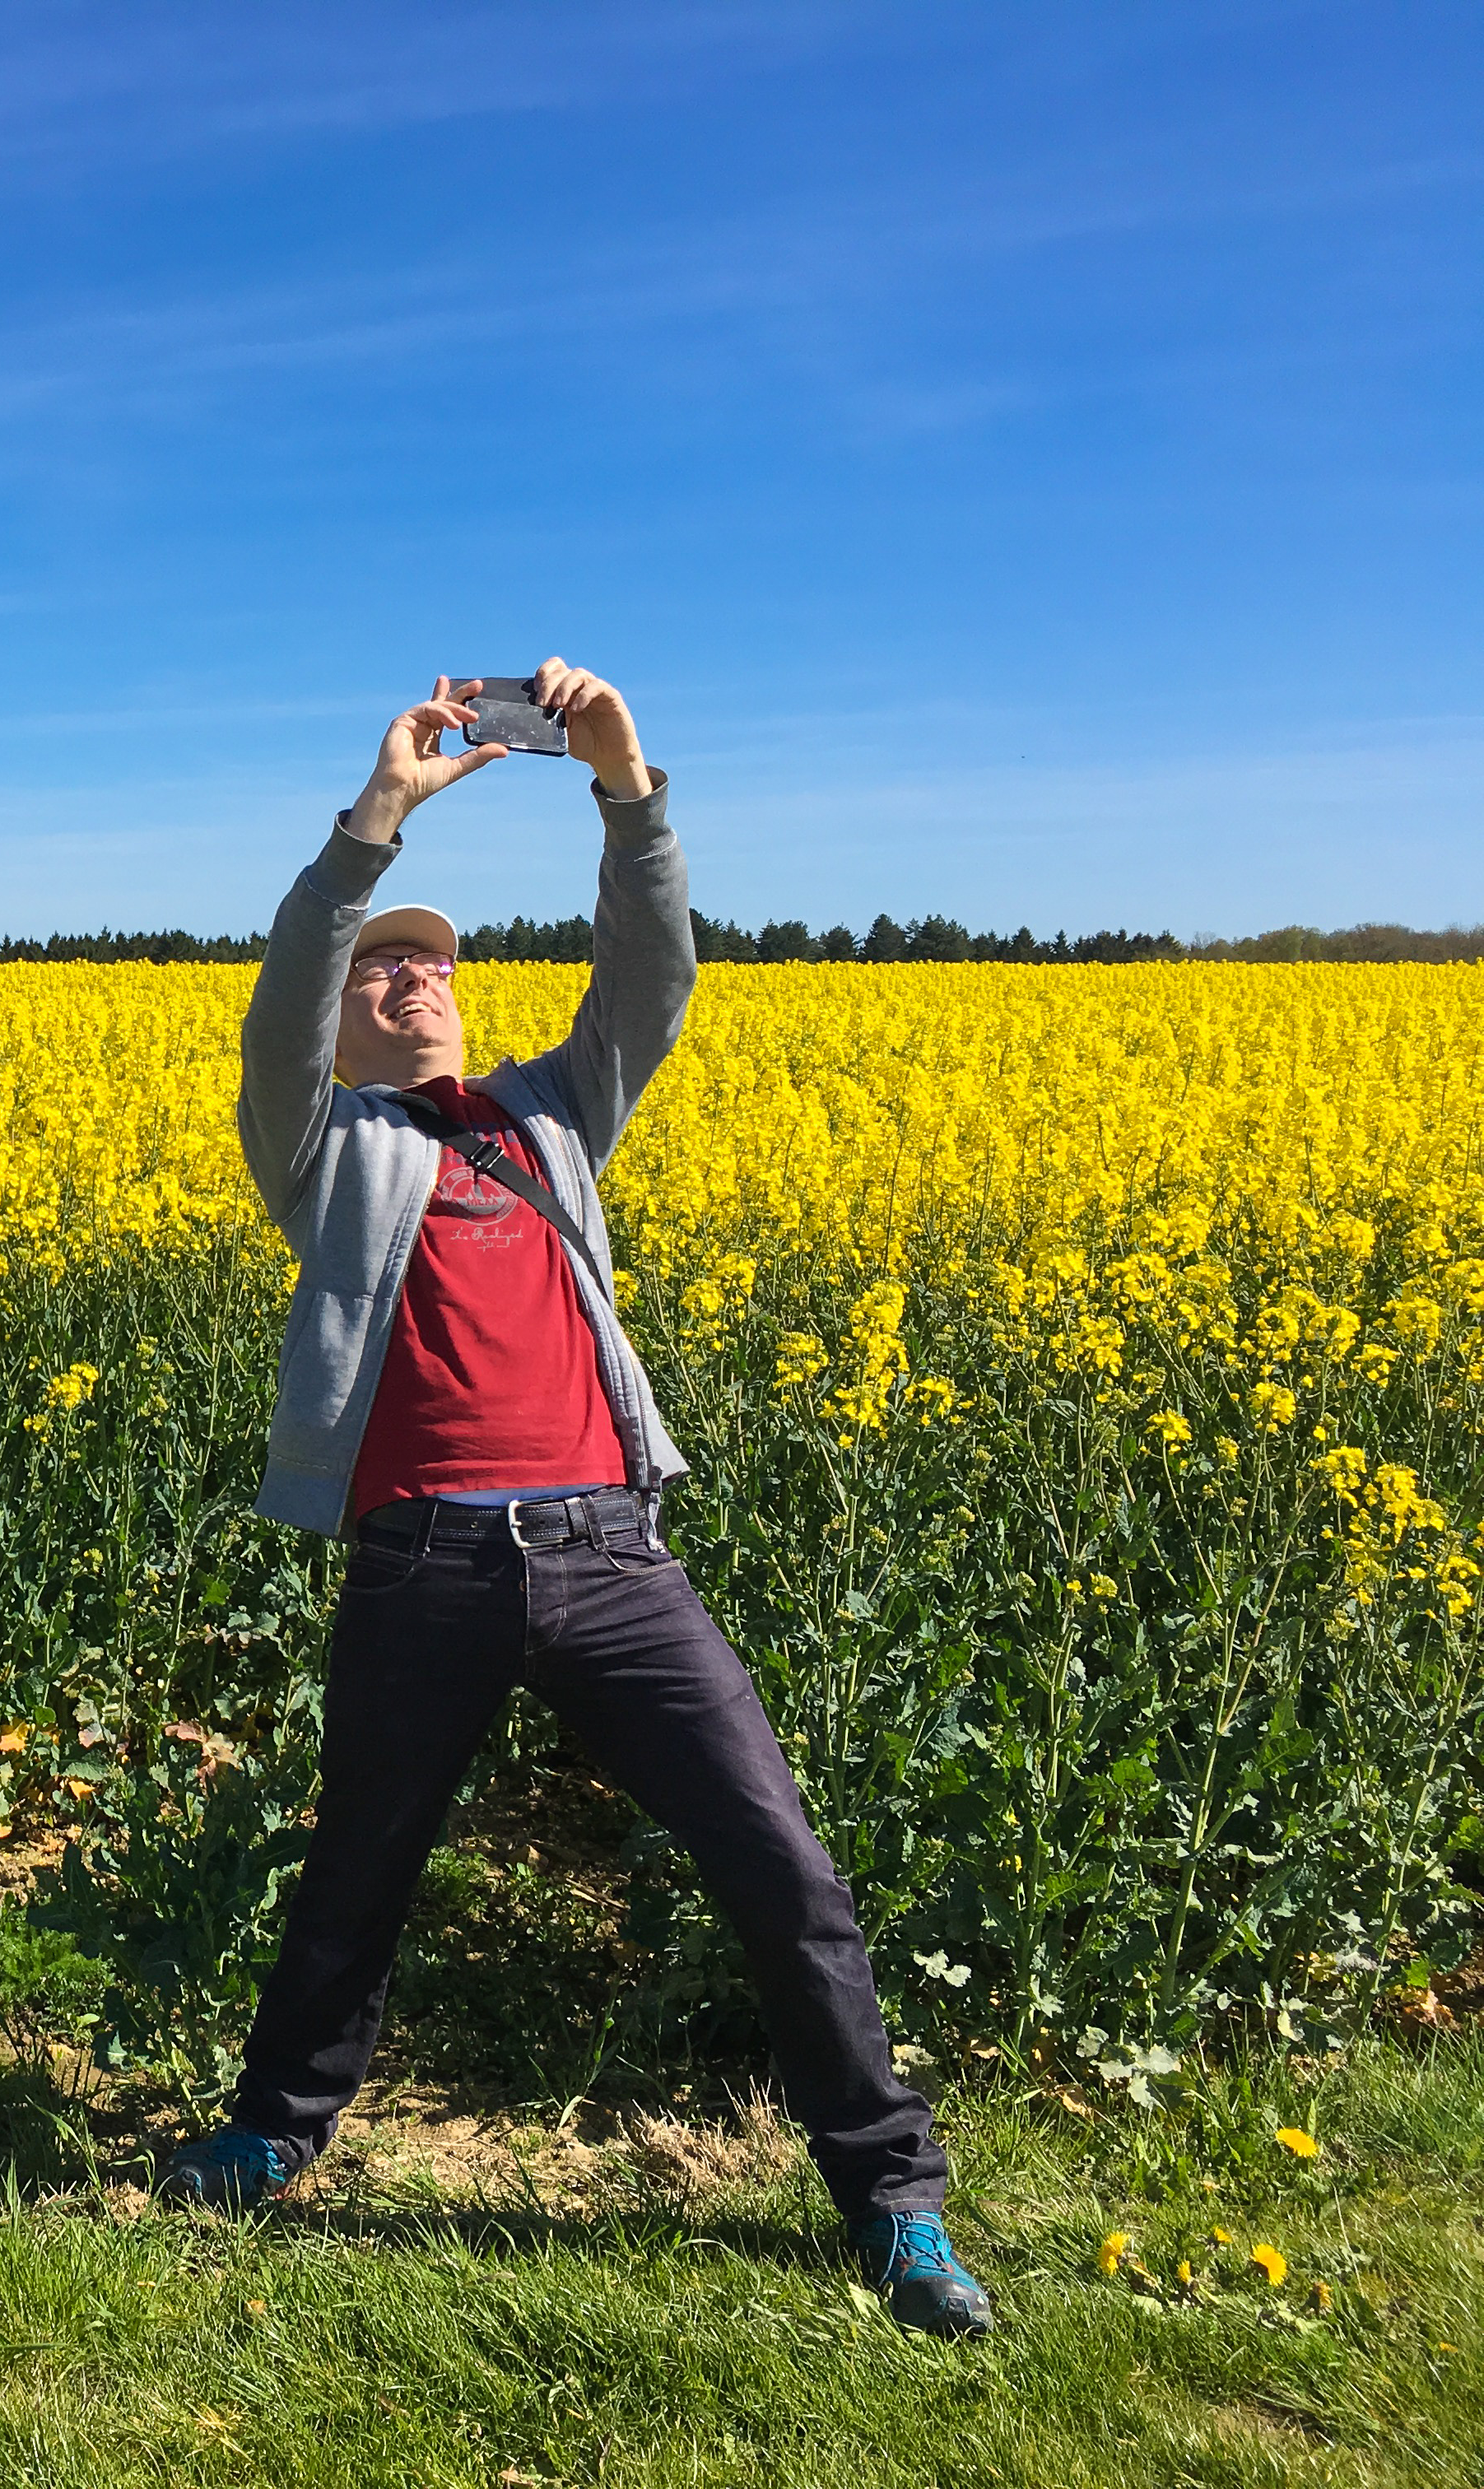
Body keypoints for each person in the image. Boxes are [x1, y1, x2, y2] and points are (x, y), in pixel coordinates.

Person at [156, 661, 993, 2340]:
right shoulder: (322, 1148)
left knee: (782, 1865)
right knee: (357, 1873)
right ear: (342, 1013)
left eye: (432, 970)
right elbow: (283, 996)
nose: (411, 984)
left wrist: (625, 787)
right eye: (383, 970)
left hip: (613, 1553)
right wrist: (372, 829)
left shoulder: (551, 1120)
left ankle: (895, 2205)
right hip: (423, 1563)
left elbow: (651, 983)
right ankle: (270, 2137)